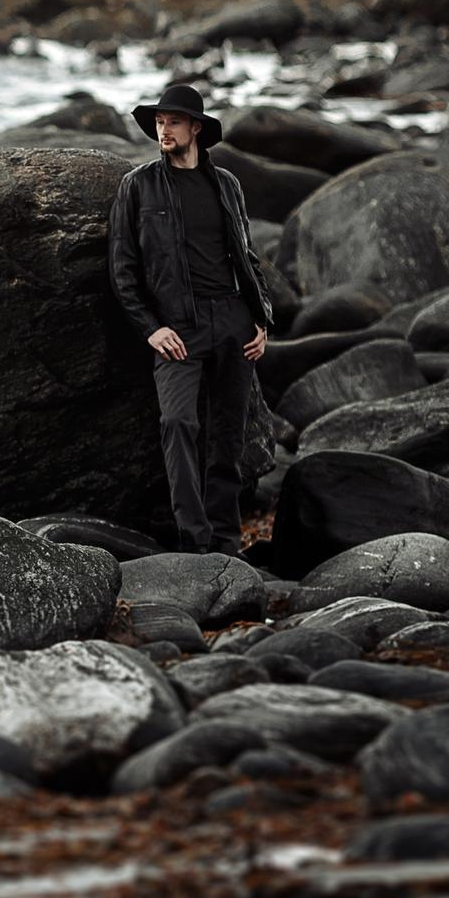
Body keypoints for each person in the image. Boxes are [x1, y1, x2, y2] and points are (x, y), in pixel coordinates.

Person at [106, 82, 274, 555]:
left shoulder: (227, 185)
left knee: (227, 437)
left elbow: (247, 257)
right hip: (176, 328)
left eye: (173, 122)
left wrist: (261, 321)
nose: (164, 130)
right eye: (159, 122)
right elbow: (122, 268)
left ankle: (226, 543)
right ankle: (194, 543)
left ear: (195, 128)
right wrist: (151, 328)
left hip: (233, 322)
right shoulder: (138, 186)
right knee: (178, 423)